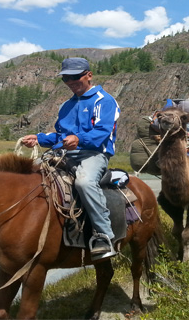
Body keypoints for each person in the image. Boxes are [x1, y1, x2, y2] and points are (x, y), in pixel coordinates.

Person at [21, 57, 121, 260]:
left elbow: (102, 132)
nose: (71, 82)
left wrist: (78, 139)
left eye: (76, 77)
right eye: (66, 78)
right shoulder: (66, 105)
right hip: (65, 153)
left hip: (94, 153)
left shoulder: (104, 100)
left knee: (84, 182)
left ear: (89, 75)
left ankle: (103, 235)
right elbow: (61, 136)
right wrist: (39, 139)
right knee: (28, 177)